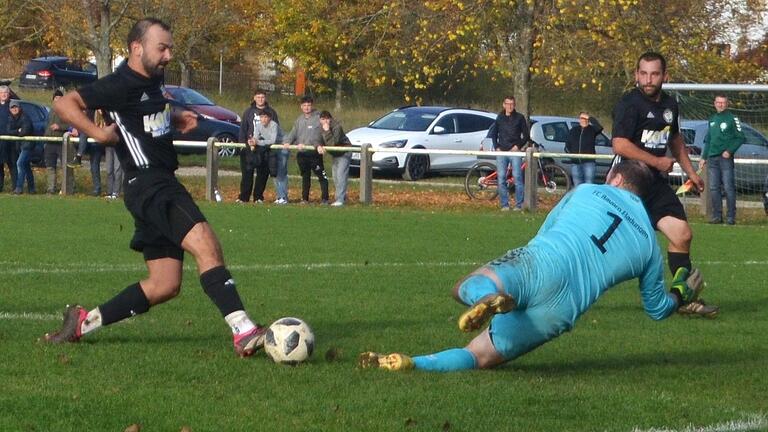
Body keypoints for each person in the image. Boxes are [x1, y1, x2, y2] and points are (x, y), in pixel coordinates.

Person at [43, 18, 267, 358]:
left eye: (170, 48)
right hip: (152, 184)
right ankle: (244, 330)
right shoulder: (119, 84)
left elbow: (144, 115)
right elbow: (64, 104)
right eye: (162, 48)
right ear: (137, 48)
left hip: (152, 185)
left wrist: (175, 119)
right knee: (206, 244)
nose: (167, 55)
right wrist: (99, 133)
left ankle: (82, 323)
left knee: (165, 284)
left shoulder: (154, 79)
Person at [359, 160, 714, 372]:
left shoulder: (588, 190)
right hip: (562, 309)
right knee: (479, 356)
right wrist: (680, 291)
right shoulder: (649, 247)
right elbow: (656, 310)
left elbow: (546, 230)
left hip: (542, 263)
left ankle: (487, 296)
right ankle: (411, 363)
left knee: (466, 286)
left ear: (616, 180)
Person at [611, 51, 717, 317]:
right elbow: (620, 144)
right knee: (603, 246)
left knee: (682, 235)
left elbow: (675, 139)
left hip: (655, 185)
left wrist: (691, 172)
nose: (648, 79)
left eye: (654, 74)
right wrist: (657, 162)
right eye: (643, 73)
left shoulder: (670, 105)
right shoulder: (629, 103)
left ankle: (684, 298)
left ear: (665, 76)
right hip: (629, 183)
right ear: (636, 75)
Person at [699, 95, 745, 225]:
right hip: (712, 158)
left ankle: (731, 216)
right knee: (713, 187)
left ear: (727, 104)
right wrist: (703, 157)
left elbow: (740, 137)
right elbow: (708, 140)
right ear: (714, 104)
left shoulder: (733, 118)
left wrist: (730, 151)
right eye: (718, 102)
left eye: (723, 103)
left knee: (728, 187)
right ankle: (717, 215)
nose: (720, 105)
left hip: (725, 159)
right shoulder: (712, 119)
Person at [485, 96, 529, 211]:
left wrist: (517, 146)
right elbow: (493, 134)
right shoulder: (499, 118)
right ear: (504, 105)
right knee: (501, 178)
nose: (510, 106)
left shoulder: (520, 118)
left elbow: (526, 136)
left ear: (514, 105)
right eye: (508, 104)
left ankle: (519, 205)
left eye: (512, 104)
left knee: (518, 178)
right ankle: (504, 204)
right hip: (502, 152)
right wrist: (497, 147)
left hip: (515, 152)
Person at [284, 95, 329, 204]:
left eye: (309, 105)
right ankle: (304, 199)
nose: (307, 107)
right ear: (301, 107)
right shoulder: (299, 120)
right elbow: (293, 133)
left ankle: (325, 199)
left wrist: (318, 145)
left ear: (312, 105)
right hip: (302, 154)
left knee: (321, 176)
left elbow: (321, 134)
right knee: (305, 177)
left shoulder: (318, 118)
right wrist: (287, 142)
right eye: (304, 105)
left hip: (314, 153)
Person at [238, 89, 280, 203]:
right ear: (254, 98)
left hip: (265, 148)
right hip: (250, 148)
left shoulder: (272, 112)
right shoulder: (248, 112)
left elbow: (275, 130)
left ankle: (258, 197)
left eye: (262, 97)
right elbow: (243, 129)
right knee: (247, 173)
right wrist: (243, 144)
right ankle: (243, 197)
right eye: (258, 97)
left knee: (262, 174)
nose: (260, 99)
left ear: (265, 98)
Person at [44, 89, 79, 194]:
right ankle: (51, 188)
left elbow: (71, 125)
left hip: (62, 143)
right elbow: (46, 125)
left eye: (60, 98)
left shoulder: (67, 111)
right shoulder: (50, 111)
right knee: (50, 166)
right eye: (56, 98)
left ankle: (69, 188)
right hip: (50, 142)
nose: (57, 100)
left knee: (66, 166)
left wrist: (59, 127)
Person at [318, 110, 352, 207]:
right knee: (335, 176)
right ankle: (342, 197)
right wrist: (319, 146)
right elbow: (317, 139)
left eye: (327, 119)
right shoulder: (320, 128)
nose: (325, 121)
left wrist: (327, 130)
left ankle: (340, 200)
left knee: (341, 175)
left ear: (330, 119)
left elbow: (333, 143)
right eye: (323, 119)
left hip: (344, 152)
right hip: (336, 154)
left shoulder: (337, 127)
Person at [248, 109, 282, 203]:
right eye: (262, 117)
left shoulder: (273, 125)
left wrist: (258, 142)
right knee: (261, 172)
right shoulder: (258, 125)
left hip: (280, 148)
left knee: (277, 173)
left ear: (269, 118)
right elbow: (255, 137)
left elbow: (272, 141)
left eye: (266, 117)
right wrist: (252, 142)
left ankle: (282, 197)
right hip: (267, 149)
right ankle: (257, 197)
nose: (263, 119)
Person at [565, 112, 603, 186]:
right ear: (579, 119)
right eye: (582, 118)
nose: (584, 120)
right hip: (575, 163)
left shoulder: (592, 130)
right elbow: (567, 144)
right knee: (577, 186)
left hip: (589, 162)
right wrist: (571, 155)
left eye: (585, 118)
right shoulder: (573, 130)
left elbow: (600, 127)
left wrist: (590, 118)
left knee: (589, 184)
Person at [8, 100, 35, 194]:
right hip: (20, 145)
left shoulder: (25, 117)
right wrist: (18, 131)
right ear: (10, 109)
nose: (14, 109)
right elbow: (8, 131)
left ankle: (18, 188)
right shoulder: (10, 118)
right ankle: (32, 189)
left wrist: (18, 132)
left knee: (19, 163)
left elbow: (25, 131)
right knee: (26, 166)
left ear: (19, 108)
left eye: (16, 107)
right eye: (12, 107)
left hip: (27, 145)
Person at [0, 85, 17, 193]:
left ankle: (16, 187)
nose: (4, 95)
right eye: (2, 93)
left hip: (11, 140)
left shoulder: (13, 105)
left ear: (9, 94)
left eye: (6, 92)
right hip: (0, 140)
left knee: (12, 164)